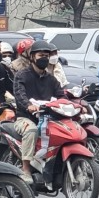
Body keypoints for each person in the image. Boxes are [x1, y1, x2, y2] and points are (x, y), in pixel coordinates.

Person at [13, 40, 66, 183]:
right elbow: (19, 94)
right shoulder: (22, 75)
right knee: (31, 130)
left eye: (46, 56)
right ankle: (26, 169)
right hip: (25, 118)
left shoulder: (51, 78)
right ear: (32, 57)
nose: (44, 58)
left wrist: (72, 105)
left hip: (49, 118)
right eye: (41, 55)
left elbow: (61, 95)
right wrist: (29, 105)